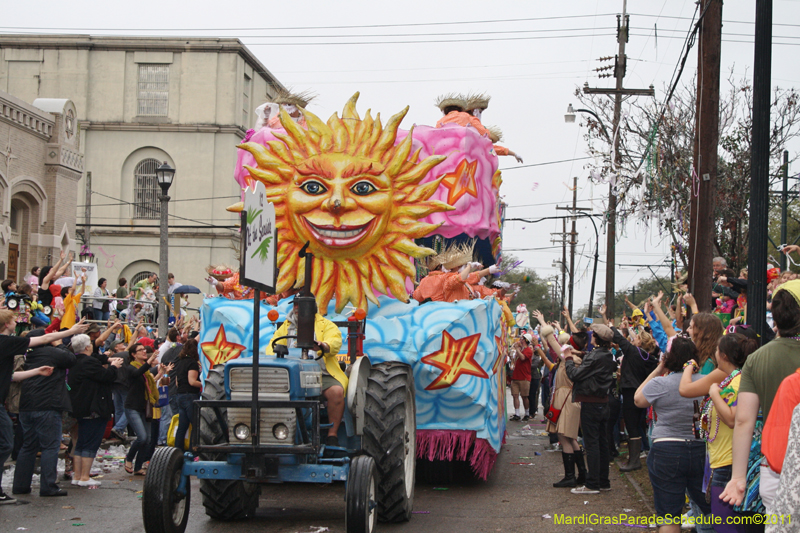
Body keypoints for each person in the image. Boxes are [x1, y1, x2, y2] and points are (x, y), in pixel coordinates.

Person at [722, 280, 800, 514]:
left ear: (775, 317)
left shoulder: (757, 359)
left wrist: (737, 477)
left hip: (774, 468)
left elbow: (744, 421)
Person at [0, 310, 82, 504]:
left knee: (27, 446)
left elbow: (12, 376)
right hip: (46, 404)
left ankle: (20, 485)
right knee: (50, 445)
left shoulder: (28, 357)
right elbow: (71, 359)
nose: (17, 323)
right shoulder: (47, 351)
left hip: (27, 405)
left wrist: (36, 371)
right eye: (13, 320)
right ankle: (48, 486)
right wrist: (64, 336)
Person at [635, 336, 711, 533]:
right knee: (710, 509)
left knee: (669, 515)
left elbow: (638, 400)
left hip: (666, 447)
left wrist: (659, 370)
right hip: (699, 447)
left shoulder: (660, 384)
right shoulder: (705, 382)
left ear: (668, 359)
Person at [266, 298, 347, 446]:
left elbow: (334, 342)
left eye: (301, 305)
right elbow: (273, 345)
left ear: (312, 307)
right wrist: (274, 353)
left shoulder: (326, 325)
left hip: (320, 373)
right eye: (296, 305)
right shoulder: (286, 326)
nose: (297, 308)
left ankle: (332, 434)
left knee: (336, 392)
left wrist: (324, 346)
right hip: (291, 375)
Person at [604, 302, 660, 472]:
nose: (633, 339)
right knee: (636, 424)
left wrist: (612, 327)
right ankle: (634, 457)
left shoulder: (634, 352)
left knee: (631, 425)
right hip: (642, 391)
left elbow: (620, 340)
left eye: (635, 338)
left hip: (630, 392)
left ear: (640, 343)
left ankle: (634, 460)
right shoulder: (649, 357)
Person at [562, 323, 617, 495]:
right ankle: (603, 481)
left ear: (596, 338)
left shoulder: (595, 357)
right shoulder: (607, 355)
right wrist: (580, 353)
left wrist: (569, 359)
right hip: (603, 402)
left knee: (592, 444)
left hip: (590, 403)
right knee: (602, 443)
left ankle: (592, 484)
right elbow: (594, 361)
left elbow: (574, 375)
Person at [534, 310, 587, 487]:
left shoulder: (568, 358)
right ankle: (581, 474)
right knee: (571, 438)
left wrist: (542, 321)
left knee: (564, 438)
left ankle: (570, 476)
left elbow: (550, 338)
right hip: (573, 399)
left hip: (565, 399)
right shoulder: (582, 359)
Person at [67, 334, 123, 487]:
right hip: (94, 408)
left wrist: (107, 360)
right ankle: (85, 476)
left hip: (80, 407)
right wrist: (114, 367)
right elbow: (106, 376)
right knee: (91, 443)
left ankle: (77, 476)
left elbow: (98, 361)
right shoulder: (89, 362)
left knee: (80, 443)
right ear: (86, 347)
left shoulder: (73, 361)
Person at [121, 342, 171, 475]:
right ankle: (129, 458)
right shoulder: (131, 368)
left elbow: (150, 382)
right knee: (142, 437)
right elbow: (138, 373)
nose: (144, 351)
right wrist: (150, 360)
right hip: (132, 407)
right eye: (140, 350)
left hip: (144, 407)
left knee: (148, 439)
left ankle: (138, 467)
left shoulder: (146, 372)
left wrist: (161, 374)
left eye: (144, 349)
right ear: (133, 354)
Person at [172, 338, 202, 450]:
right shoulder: (192, 363)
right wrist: (203, 383)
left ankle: (177, 451)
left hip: (179, 395)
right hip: (190, 396)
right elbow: (192, 381)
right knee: (196, 424)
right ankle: (192, 450)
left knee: (182, 426)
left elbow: (176, 382)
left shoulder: (180, 363)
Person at [509, 333, 533, 421]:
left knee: (524, 396)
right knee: (515, 395)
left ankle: (527, 413)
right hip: (516, 376)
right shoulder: (520, 350)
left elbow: (523, 358)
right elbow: (514, 360)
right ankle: (517, 414)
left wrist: (517, 350)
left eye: (522, 339)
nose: (520, 340)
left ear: (526, 340)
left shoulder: (528, 350)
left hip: (524, 377)